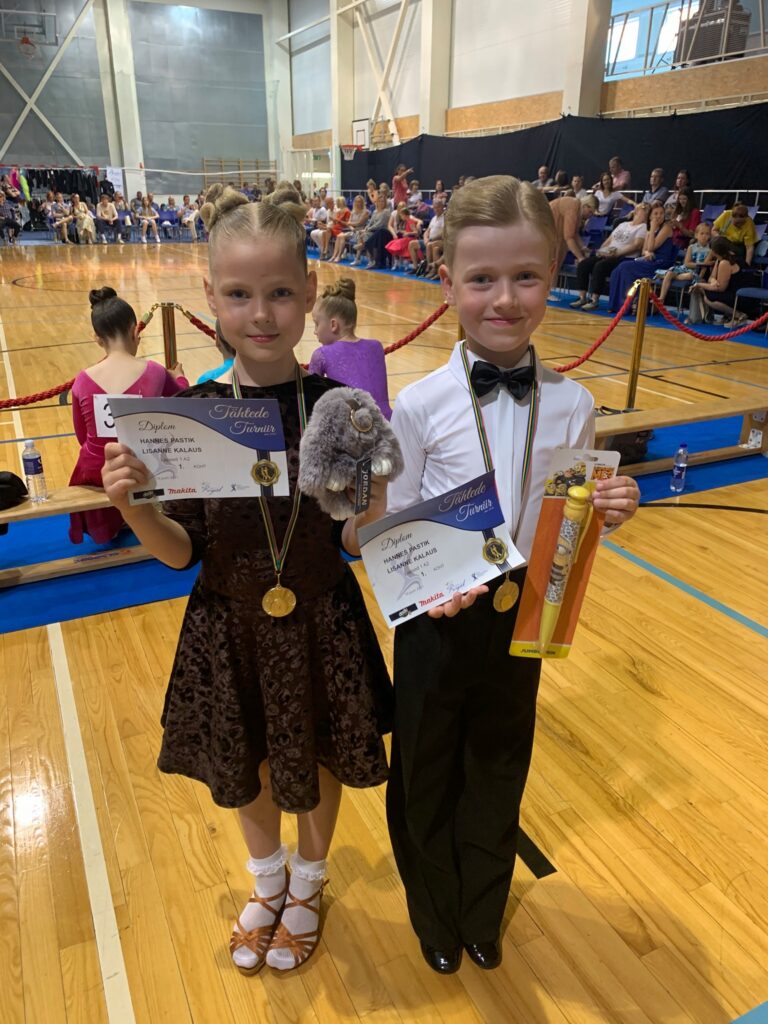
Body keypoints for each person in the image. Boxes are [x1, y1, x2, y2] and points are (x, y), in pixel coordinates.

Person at [342, 174, 639, 975]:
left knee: (501, 764)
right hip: (438, 622)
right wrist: (426, 584)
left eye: (525, 276)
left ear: (553, 274)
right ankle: (436, 915)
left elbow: (562, 518)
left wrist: (607, 506)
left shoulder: (575, 403)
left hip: (524, 612)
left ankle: (482, 909)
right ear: (447, 282)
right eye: (481, 279)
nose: (504, 299)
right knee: (427, 768)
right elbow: (391, 530)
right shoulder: (421, 405)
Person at [100, 184, 392, 975]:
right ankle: (267, 882)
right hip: (227, 621)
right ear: (209, 297)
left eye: (279, 293)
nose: (260, 314)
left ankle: (310, 883)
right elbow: (179, 552)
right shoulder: (191, 413)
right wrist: (130, 507)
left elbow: (353, 540)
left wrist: (374, 506)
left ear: (309, 292)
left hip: (320, 615)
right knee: (249, 756)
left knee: (321, 752)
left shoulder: (342, 409)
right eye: (238, 294)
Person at [69, 288, 187, 544]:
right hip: (143, 464)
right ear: (135, 331)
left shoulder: (82, 380)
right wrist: (179, 377)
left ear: (97, 339)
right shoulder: (154, 371)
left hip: (96, 469)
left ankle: (106, 526)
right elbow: (183, 402)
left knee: (91, 455)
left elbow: (81, 436)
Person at [309, 278, 392, 418]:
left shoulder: (321, 354)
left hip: (354, 427)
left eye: (317, 324)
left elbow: (310, 403)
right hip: (387, 425)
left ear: (333, 325)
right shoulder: (376, 346)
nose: (315, 331)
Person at [570, 204, 649, 310]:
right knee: (584, 264)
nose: (642, 211)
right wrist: (601, 251)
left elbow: (637, 245)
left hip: (623, 256)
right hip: (609, 253)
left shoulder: (643, 227)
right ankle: (582, 297)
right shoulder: (623, 224)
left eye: (646, 210)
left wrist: (618, 253)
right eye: (641, 208)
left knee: (600, 266)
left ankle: (594, 299)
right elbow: (609, 240)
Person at [607, 202, 676, 312]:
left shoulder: (666, 228)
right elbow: (645, 251)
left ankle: (626, 306)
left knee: (625, 267)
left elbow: (652, 247)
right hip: (649, 260)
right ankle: (616, 305)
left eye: (661, 213)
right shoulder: (650, 229)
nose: (659, 216)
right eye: (656, 213)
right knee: (617, 270)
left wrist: (652, 230)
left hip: (661, 262)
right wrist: (647, 253)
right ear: (650, 216)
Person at [690, 235, 751, 323]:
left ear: (716, 251)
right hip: (733, 290)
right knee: (706, 290)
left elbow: (720, 288)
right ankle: (727, 316)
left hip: (741, 295)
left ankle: (738, 315)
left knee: (709, 297)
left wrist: (699, 284)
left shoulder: (725, 262)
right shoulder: (722, 258)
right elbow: (711, 277)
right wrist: (713, 281)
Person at [655, 222, 713, 306]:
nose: (704, 236)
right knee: (670, 273)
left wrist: (700, 277)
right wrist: (699, 264)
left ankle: (665, 276)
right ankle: (662, 297)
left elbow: (704, 267)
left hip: (694, 272)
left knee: (689, 275)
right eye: (702, 233)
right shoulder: (691, 247)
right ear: (696, 235)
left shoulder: (710, 251)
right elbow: (686, 263)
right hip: (684, 269)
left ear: (710, 236)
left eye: (707, 234)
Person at [549, 194, 599, 269]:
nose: (590, 216)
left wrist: (583, 247)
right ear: (585, 206)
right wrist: (580, 258)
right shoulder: (573, 207)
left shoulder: (577, 208)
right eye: (590, 212)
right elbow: (569, 237)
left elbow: (575, 233)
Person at [332, 194, 368, 263]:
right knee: (340, 236)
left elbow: (359, 223)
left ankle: (357, 259)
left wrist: (351, 224)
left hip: (360, 231)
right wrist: (351, 227)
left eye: (359, 202)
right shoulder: (353, 211)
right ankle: (336, 255)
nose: (358, 203)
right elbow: (349, 223)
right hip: (352, 230)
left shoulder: (365, 212)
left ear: (362, 203)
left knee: (358, 236)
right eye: (356, 201)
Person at [385, 202, 422, 268]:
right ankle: (397, 261)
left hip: (409, 238)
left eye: (402, 215)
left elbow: (415, 232)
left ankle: (404, 260)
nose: (401, 217)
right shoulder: (405, 220)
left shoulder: (410, 221)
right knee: (394, 242)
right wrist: (402, 231)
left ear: (405, 215)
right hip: (403, 236)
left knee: (396, 243)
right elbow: (390, 225)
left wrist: (408, 233)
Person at [360, 194, 392, 268]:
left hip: (382, 232)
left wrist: (368, 229)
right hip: (373, 231)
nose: (381, 203)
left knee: (368, 238)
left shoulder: (386, 212)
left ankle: (372, 258)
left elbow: (379, 224)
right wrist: (366, 229)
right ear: (377, 202)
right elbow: (370, 222)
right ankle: (371, 260)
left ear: (385, 203)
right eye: (379, 201)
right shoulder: (374, 212)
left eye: (382, 201)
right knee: (362, 234)